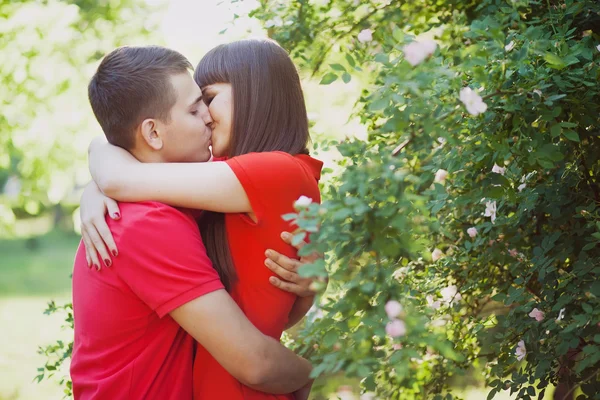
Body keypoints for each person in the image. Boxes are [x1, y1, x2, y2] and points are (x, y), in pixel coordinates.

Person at [72, 45, 318, 400]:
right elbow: (254, 357)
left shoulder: (258, 178)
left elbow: (251, 316)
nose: (205, 115)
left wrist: (100, 175)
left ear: (256, 96)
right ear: (153, 133)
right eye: (195, 106)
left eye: (209, 98)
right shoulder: (151, 219)